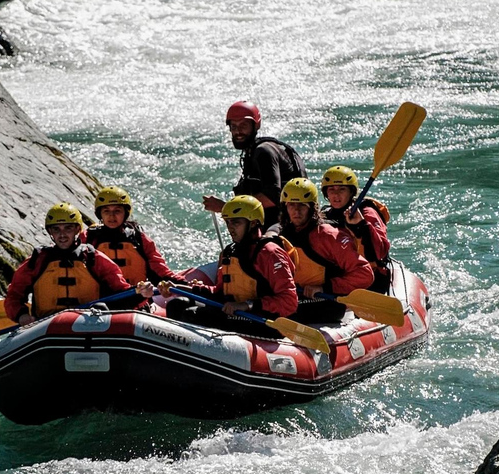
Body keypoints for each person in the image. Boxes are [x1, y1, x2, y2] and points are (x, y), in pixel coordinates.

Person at [159, 195, 298, 338]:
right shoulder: (230, 252)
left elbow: (289, 302)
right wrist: (181, 289)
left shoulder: (270, 253)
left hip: (261, 321)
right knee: (176, 304)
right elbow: (219, 293)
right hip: (235, 315)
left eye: (236, 223)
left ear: (253, 223)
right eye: (228, 223)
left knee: (192, 315)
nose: (230, 228)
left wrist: (248, 305)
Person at [4, 202, 155, 326]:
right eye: (56, 229)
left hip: (89, 323)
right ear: (50, 231)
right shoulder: (37, 261)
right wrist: (21, 315)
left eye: (68, 228)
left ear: (77, 229)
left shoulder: (93, 258)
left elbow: (121, 294)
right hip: (46, 326)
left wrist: (140, 293)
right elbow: (14, 297)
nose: (62, 235)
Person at [279, 178, 374, 323]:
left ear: (312, 208)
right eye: (291, 205)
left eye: (302, 206)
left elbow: (365, 274)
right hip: (295, 301)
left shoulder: (329, 236)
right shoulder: (283, 236)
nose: (296, 211)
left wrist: (325, 288)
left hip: (325, 304)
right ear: (285, 208)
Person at [202, 101, 307, 230]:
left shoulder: (264, 151)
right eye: (234, 127)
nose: (238, 131)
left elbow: (273, 196)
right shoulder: (253, 152)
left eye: (243, 125)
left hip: (285, 226)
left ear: (255, 126)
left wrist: (226, 207)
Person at [84, 185, 189, 287]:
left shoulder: (139, 238)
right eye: (106, 211)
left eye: (117, 211)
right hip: (100, 300)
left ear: (125, 213)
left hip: (136, 298)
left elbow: (160, 269)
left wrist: (185, 283)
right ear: (100, 214)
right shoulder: (89, 237)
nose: (112, 216)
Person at [320, 166, 392, 293]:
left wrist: (361, 225)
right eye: (331, 189)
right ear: (326, 193)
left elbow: (380, 251)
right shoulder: (324, 214)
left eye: (342, 189)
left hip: (372, 278)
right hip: (340, 276)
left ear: (351, 192)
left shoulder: (367, 212)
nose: (336, 194)